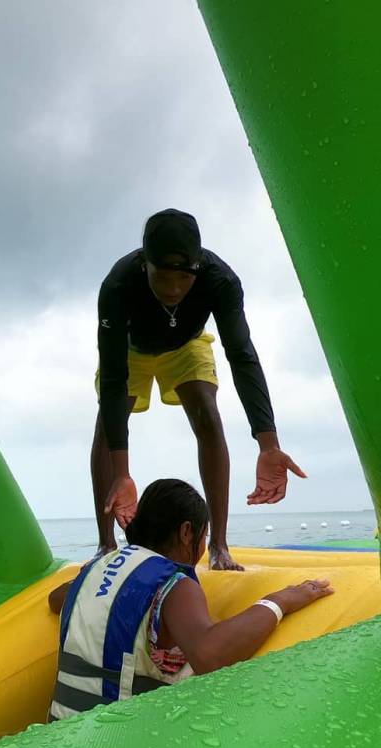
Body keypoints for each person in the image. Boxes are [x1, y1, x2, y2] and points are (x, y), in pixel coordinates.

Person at [93, 208, 305, 571]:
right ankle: (105, 544)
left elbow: (242, 356)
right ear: (145, 263)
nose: (175, 289)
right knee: (107, 431)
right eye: (164, 277)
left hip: (186, 345)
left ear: (198, 266)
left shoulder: (219, 280)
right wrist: (123, 472)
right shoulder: (118, 285)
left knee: (208, 414)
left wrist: (268, 444)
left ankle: (219, 546)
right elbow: (114, 378)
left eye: (185, 278)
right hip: (131, 352)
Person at [48, 479, 332, 721]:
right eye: (204, 535)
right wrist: (281, 600)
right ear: (186, 532)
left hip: (62, 729)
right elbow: (209, 655)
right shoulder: (175, 584)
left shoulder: (98, 568)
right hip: (115, 743)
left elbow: (55, 599)